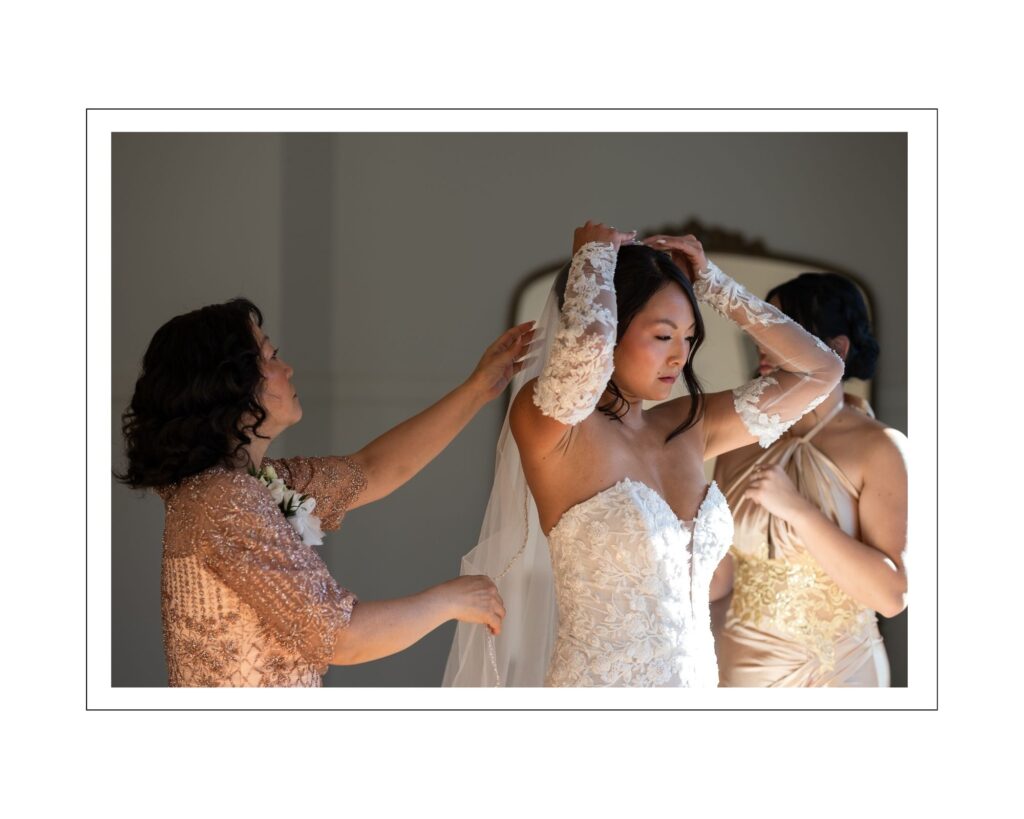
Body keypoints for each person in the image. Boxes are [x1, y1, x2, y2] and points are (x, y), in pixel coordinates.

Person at [444, 222, 843, 686]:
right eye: (662, 336)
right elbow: (588, 351)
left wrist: (715, 283)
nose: (679, 357)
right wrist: (593, 257)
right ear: (614, 326)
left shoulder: (688, 427)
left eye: (689, 337)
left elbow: (821, 371)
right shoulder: (551, 423)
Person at [118, 297, 533, 687]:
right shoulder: (224, 501)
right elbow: (340, 637)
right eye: (271, 356)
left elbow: (372, 470)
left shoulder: (251, 486)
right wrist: (450, 601)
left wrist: (479, 387)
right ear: (230, 384)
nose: (289, 369)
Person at [710, 272, 907, 687]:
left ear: (836, 348)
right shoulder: (737, 441)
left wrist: (799, 511)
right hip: (742, 670)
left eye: (784, 331)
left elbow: (890, 597)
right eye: (764, 328)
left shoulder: (881, 448)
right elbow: (720, 579)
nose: (765, 344)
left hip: (839, 675)